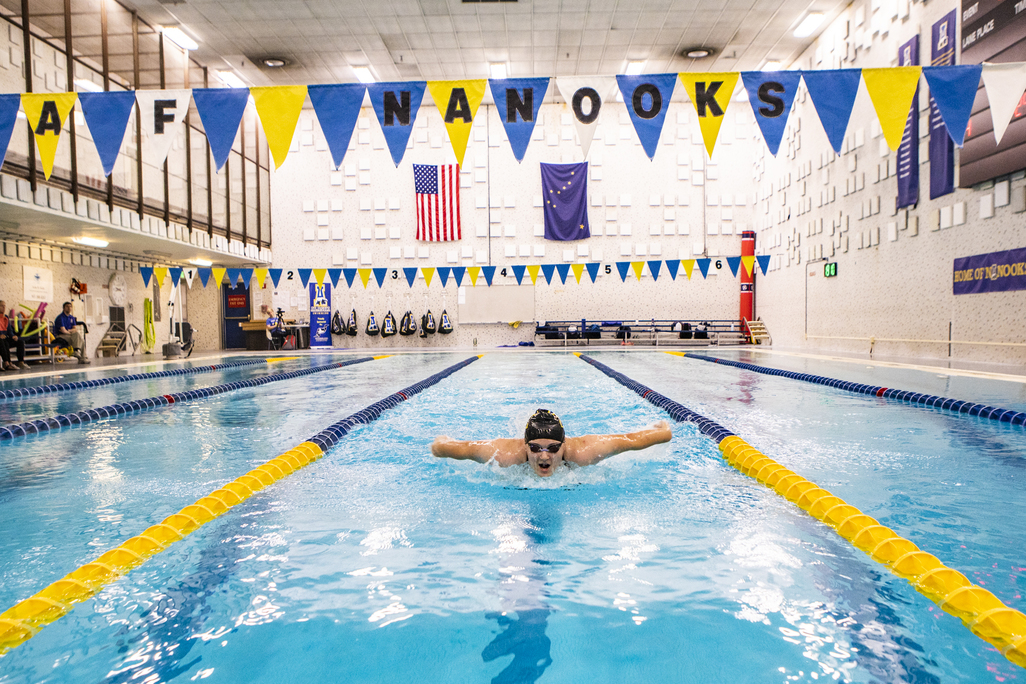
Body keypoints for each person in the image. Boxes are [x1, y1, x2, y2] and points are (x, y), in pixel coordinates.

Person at [431, 408, 672, 478]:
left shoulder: (586, 451)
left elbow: (632, 440)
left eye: (553, 448)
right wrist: (440, 444)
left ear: (564, 445)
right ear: (525, 445)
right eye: (535, 448)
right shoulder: (505, 454)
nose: (544, 456)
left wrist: (662, 430)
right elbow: (459, 448)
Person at [0, 301, 29, 370]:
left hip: (5, 339)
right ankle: (7, 363)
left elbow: (9, 330)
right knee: (3, 341)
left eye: (4, 306)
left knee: (19, 342)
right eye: (1, 306)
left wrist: (13, 336)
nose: (4, 307)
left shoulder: (6, 317)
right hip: (1, 340)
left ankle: (21, 362)